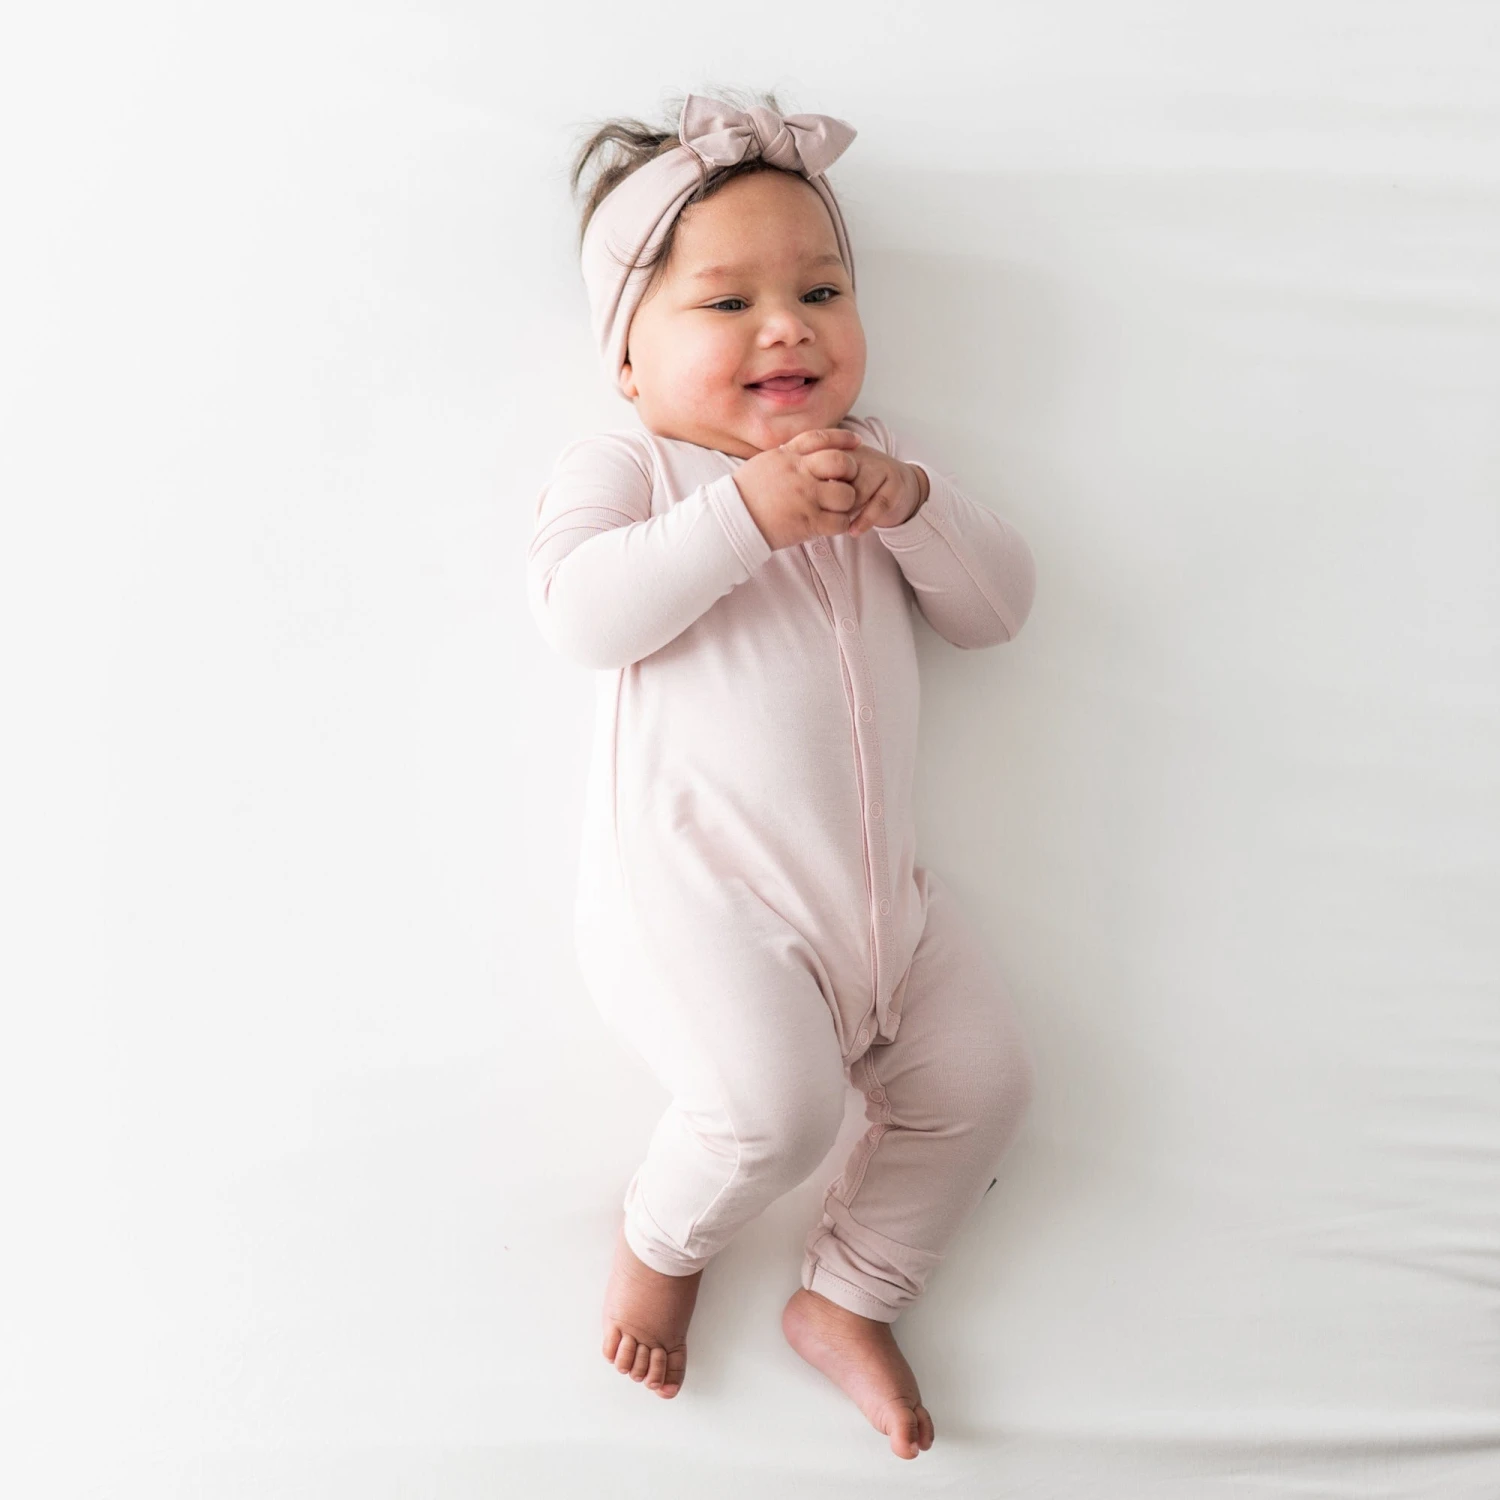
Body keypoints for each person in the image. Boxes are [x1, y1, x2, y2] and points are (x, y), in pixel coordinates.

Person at [526, 88, 1038, 1461]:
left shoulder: (879, 465)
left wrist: (916, 507)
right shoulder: (636, 467)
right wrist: (746, 513)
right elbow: (580, 615)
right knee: (773, 1113)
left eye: (821, 290)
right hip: (701, 906)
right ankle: (661, 1242)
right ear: (627, 359)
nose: (788, 327)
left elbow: (995, 612)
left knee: (983, 1082)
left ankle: (849, 1294)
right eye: (726, 302)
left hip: (884, 910)